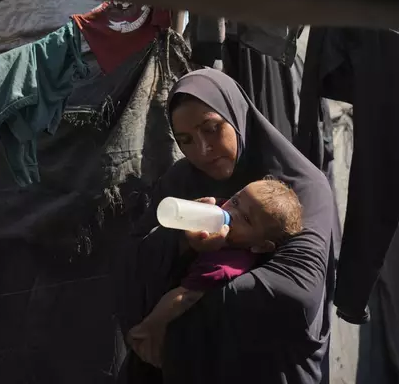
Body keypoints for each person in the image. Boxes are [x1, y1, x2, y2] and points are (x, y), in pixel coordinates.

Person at [114, 68, 336, 384]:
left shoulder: (301, 187)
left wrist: (185, 299)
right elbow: (131, 263)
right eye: (186, 140)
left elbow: (298, 294)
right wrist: (184, 243)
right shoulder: (181, 180)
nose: (202, 151)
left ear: (236, 115)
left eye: (212, 128)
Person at [128, 177, 304, 368]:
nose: (230, 212)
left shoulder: (226, 265)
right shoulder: (220, 208)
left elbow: (184, 297)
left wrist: (150, 327)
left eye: (246, 219)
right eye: (235, 201)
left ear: (261, 246)